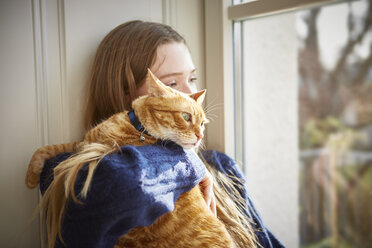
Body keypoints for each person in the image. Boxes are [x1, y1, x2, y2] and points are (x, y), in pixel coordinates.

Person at [39, 20, 284, 248]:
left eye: (192, 78)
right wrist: (190, 165)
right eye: (173, 85)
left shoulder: (219, 165)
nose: (190, 97)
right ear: (128, 95)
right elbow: (126, 187)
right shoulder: (73, 169)